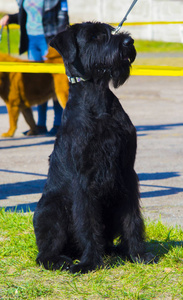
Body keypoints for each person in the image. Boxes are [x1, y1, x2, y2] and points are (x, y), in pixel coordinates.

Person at [0, 0, 69, 136]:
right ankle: (41, 125)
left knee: (55, 83)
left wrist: (60, 43)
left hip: (49, 39)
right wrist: (11, 18)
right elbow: (26, 14)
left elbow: (63, 18)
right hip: (32, 41)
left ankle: (58, 125)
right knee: (37, 84)